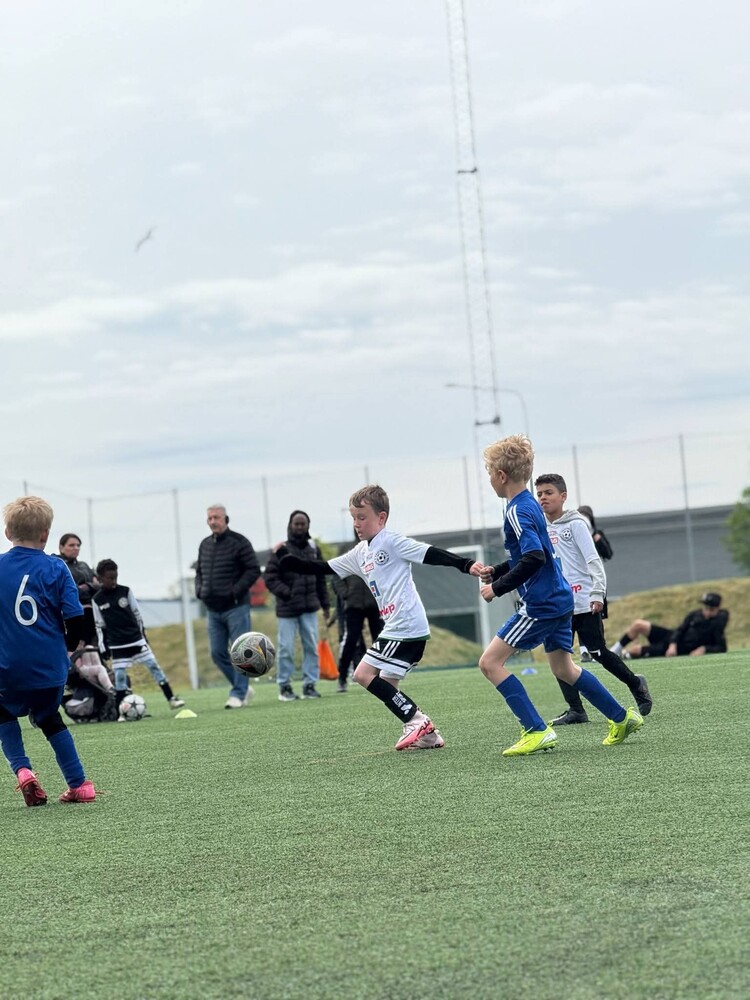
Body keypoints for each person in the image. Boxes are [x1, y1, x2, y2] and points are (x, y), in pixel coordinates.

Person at [274, 485, 485, 750]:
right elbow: (320, 568)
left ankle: (417, 720)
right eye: (354, 518)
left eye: (362, 517)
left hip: (405, 625)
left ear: (381, 517)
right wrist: (284, 557)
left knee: (363, 674)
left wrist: (465, 564)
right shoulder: (360, 553)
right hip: (399, 627)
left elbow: (430, 553)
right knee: (385, 683)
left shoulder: (391, 542)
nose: (356, 524)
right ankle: (429, 737)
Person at [477, 435, 644, 756]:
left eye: (489, 474)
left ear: (500, 475)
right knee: (564, 668)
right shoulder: (529, 504)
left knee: (489, 663)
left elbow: (534, 557)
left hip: (541, 603)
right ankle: (622, 718)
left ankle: (536, 730)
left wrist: (497, 588)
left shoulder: (517, 510)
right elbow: (531, 553)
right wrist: (497, 571)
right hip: (560, 598)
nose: (489, 480)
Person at [535, 473, 652, 725]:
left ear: (563, 496)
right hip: (557, 603)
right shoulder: (540, 527)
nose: (543, 498)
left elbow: (593, 560)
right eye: (540, 494)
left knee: (598, 652)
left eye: (548, 493)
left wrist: (597, 592)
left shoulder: (576, 524)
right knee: (558, 657)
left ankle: (636, 683)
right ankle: (576, 710)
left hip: (584, 601)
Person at [0, 496, 96, 805]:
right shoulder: (57, 567)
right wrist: (65, 651)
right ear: (45, 534)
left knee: (3, 713)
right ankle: (79, 785)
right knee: (49, 718)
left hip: (8, 667)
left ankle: (23, 770)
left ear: (7, 533)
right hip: (50, 668)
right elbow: (76, 620)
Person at [92, 559, 185, 713]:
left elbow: (137, 615)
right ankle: (120, 711)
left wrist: (143, 636)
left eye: (115, 577)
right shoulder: (97, 600)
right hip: (117, 644)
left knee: (154, 666)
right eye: (110, 578)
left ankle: (171, 698)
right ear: (100, 578)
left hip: (135, 639)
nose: (113, 581)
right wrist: (103, 647)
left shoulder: (125, 591)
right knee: (120, 676)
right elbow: (99, 625)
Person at [194, 504, 261, 709]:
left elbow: (253, 569)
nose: (213, 521)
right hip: (213, 610)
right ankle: (243, 687)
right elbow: (199, 572)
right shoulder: (205, 544)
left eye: (216, 517)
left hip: (236, 608)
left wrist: (235, 591)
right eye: (210, 518)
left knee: (241, 651)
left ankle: (238, 694)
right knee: (217, 653)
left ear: (226, 519)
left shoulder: (240, 542)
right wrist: (200, 590)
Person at [263, 510, 332, 701]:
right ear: (290, 525)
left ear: (308, 526)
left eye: (303, 524)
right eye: (296, 524)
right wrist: (286, 592)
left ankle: (310, 685)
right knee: (286, 648)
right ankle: (284, 686)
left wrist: (326, 605)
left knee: (311, 647)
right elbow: (269, 577)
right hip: (287, 609)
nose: (300, 527)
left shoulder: (313, 548)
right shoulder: (281, 549)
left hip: (309, 607)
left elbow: (320, 577)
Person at [52, 532, 107, 680]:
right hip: (71, 616)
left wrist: (87, 586)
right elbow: (70, 590)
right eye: (71, 545)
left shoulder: (84, 566)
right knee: (76, 652)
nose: (75, 548)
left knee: (92, 650)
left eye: (78, 545)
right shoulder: (57, 564)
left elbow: (100, 585)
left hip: (91, 618)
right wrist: (87, 587)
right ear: (61, 547)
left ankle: (98, 680)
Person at [610, 593, 729, 659]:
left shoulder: (718, 622)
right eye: (705, 607)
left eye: (710, 609)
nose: (706, 611)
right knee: (638, 624)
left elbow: (721, 647)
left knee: (636, 650)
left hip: (680, 649)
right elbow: (681, 629)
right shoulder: (695, 614)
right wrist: (673, 644)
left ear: (716, 609)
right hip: (671, 638)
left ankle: (624, 655)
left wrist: (704, 649)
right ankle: (613, 651)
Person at [333, 569, 383, 693]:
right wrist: (346, 593)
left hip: (374, 603)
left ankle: (383, 674)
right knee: (351, 641)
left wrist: (381, 593)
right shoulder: (347, 556)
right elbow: (336, 576)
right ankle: (342, 677)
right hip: (353, 605)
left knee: (380, 640)